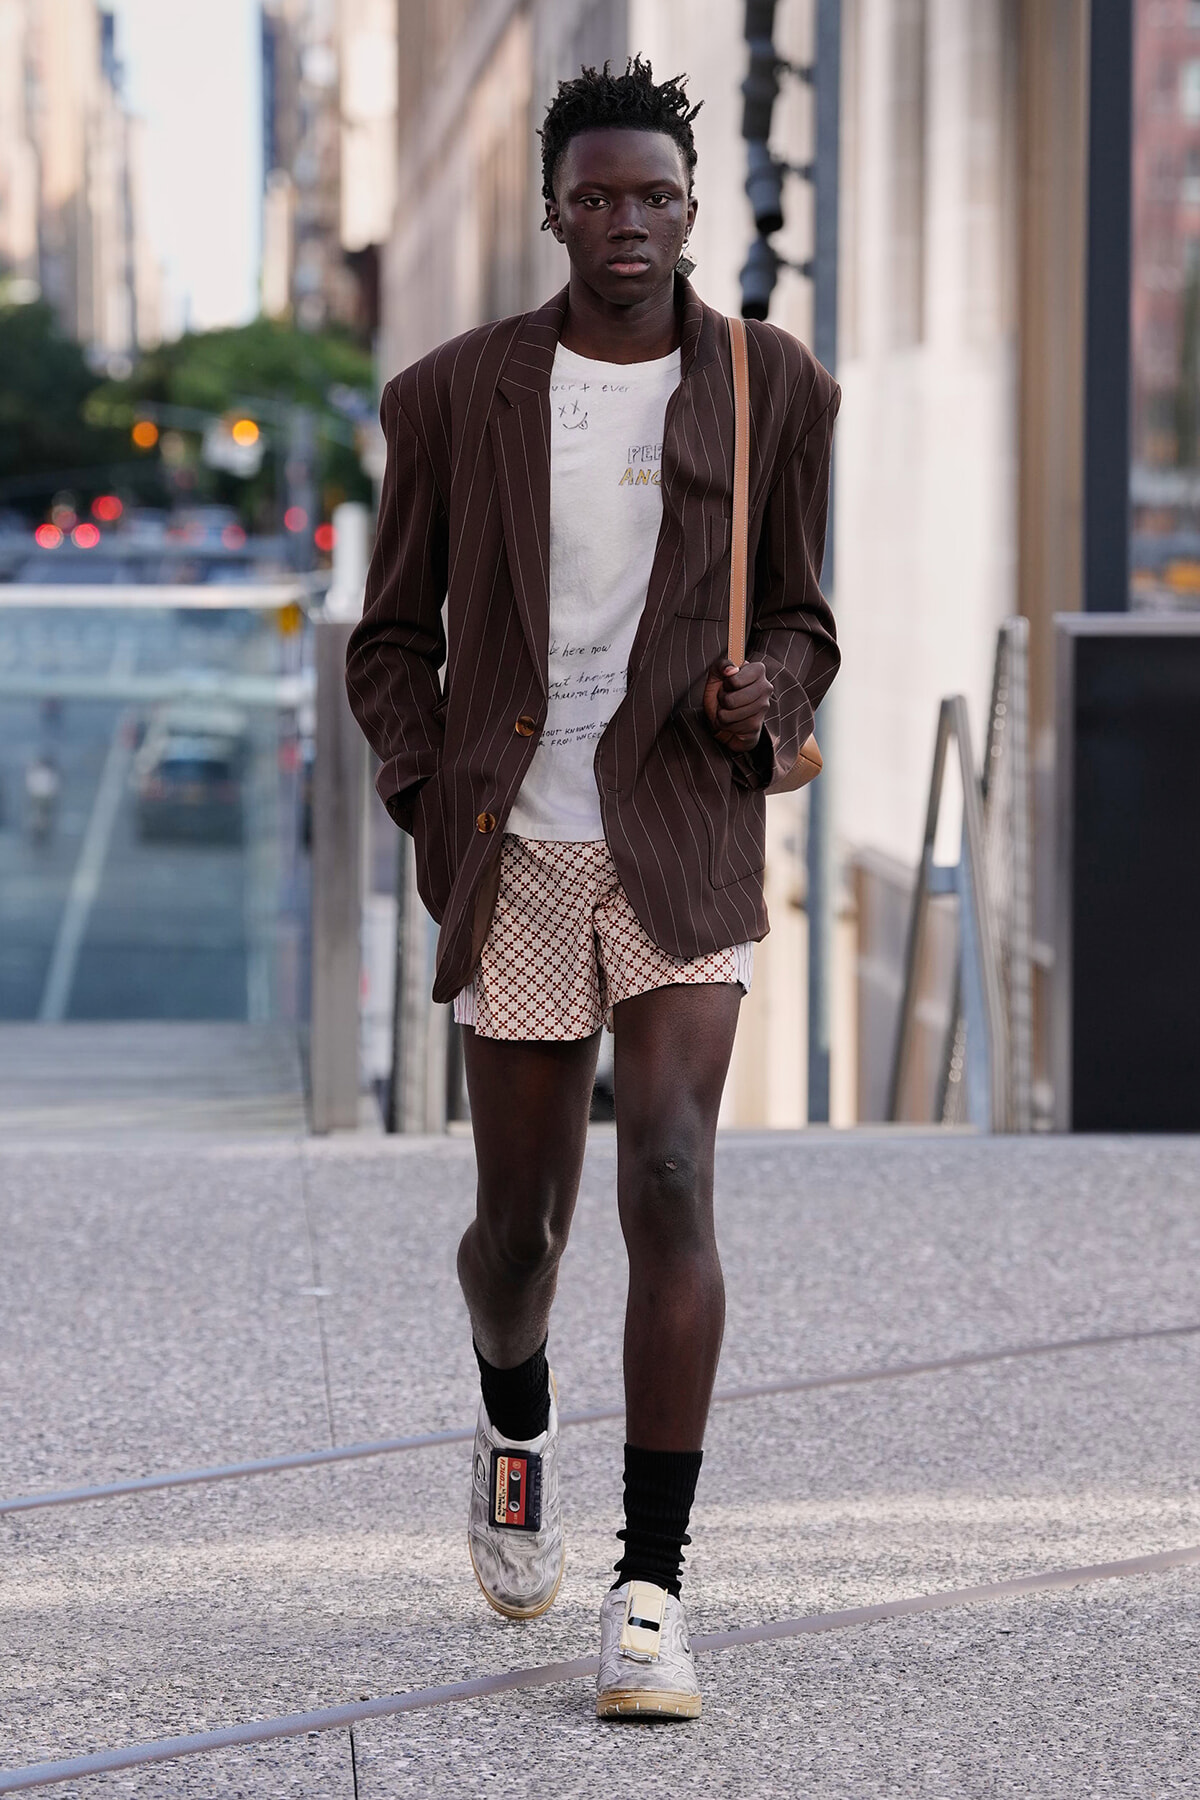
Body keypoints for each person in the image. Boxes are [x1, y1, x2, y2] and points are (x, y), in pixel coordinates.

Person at [346, 57, 839, 1720]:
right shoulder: (451, 396)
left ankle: (652, 1590)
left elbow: (804, 616)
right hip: (518, 845)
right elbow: (391, 639)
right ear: (553, 211)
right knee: (522, 1228)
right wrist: (425, 795)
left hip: (682, 835)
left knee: (674, 1173)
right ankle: (513, 1413)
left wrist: (772, 691)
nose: (629, 222)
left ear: (693, 213)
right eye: (597, 197)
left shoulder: (773, 384)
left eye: (657, 198)